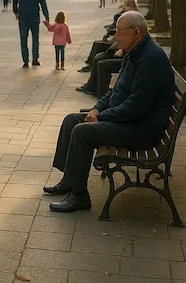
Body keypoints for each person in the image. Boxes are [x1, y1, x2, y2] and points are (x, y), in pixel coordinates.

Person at [44, 11, 175, 212]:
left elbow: (136, 107)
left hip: (143, 129)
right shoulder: (135, 52)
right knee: (71, 120)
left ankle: (79, 196)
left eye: (120, 32)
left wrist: (100, 117)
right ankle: (70, 182)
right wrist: (96, 110)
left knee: (82, 131)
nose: (115, 36)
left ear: (136, 32)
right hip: (131, 120)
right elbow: (116, 92)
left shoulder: (151, 59)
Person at [13, 0, 50, 68]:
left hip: (23, 15)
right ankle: (35, 59)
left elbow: (15, 0)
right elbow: (42, 2)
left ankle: (25, 61)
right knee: (35, 37)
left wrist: (16, 12)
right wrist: (46, 16)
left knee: (23, 38)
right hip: (34, 15)